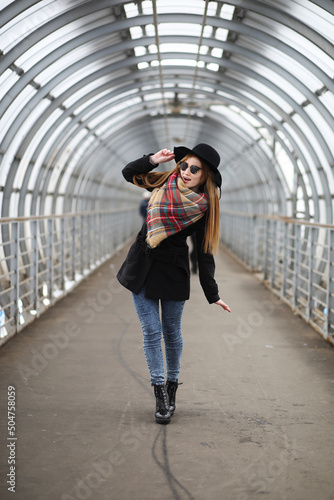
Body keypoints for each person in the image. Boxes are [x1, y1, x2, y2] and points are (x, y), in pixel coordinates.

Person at [117, 144, 231, 425]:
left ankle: (172, 385)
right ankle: (159, 394)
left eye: (195, 169)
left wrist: (212, 293)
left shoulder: (204, 207)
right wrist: (153, 159)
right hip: (142, 265)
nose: (187, 172)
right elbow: (128, 172)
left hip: (173, 270)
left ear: (206, 176)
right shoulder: (164, 180)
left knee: (171, 332)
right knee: (151, 331)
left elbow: (204, 252)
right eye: (184, 166)